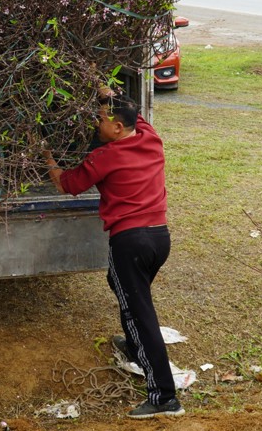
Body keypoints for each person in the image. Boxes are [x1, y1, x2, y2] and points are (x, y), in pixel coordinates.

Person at [43, 89, 183, 419]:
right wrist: (107, 90)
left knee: (140, 314)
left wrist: (46, 155)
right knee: (124, 288)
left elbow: (65, 184)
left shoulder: (104, 157)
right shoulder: (149, 137)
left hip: (130, 243)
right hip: (159, 239)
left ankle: (163, 396)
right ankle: (135, 348)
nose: (96, 123)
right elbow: (137, 115)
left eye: (101, 119)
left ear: (118, 128)